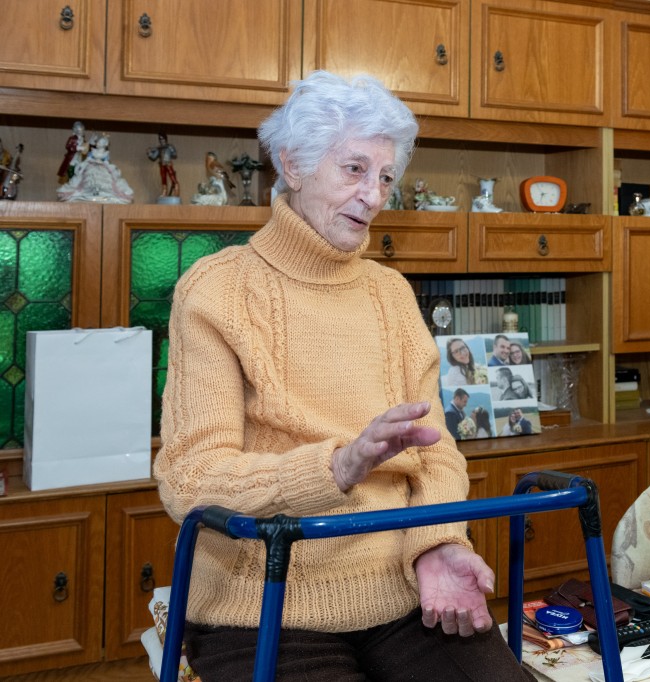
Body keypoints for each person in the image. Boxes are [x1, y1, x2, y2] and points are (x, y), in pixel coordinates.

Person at [154, 71, 534, 681]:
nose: (374, 195)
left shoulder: (392, 294)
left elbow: (438, 453)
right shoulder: (215, 290)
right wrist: (337, 467)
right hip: (260, 602)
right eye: (355, 169)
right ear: (293, 164)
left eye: (385, 177)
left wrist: (436, 542)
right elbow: (191, 479)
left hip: (401, 588)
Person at [147, 132, 180, 198]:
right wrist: (149, 153)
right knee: (163, 179)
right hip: (162, 165)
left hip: (168, 164)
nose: (162, 140)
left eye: (163, 139)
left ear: (165, 139)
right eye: (160, 139)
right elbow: (154, 157)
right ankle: (164, 192)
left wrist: (171, 150)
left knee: (173, 178)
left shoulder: (169, 146)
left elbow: (174, 154)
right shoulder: (159, 148)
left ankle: (176, 191)